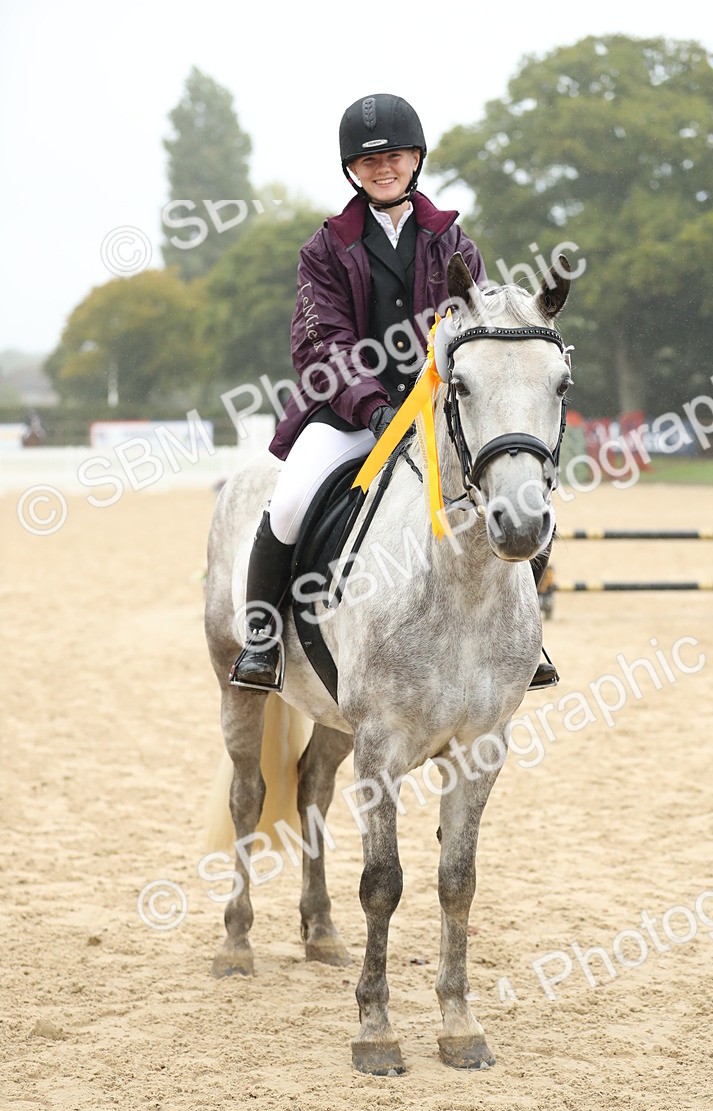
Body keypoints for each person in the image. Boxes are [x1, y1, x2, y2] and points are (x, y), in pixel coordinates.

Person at [229, 92, 557, 693]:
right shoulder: (325, 250)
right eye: (369, 161)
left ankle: (522, 640)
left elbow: (475, 332)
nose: (383, 168)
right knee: (291, 501)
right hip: (349, 416)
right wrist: (374, 407)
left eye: (395, 157)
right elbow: (322, 344)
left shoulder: (453, 242)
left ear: (416, 159)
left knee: (513, 489)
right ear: (352, 170)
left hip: (437, 415)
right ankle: (262, 637)